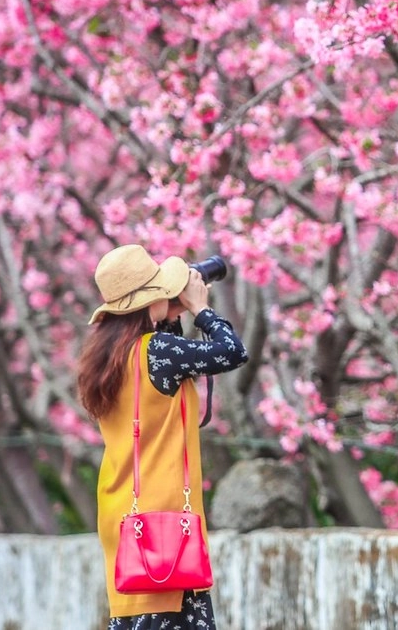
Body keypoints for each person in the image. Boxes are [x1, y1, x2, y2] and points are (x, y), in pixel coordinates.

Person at [77, 244, 248, 629]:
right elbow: (232, 352)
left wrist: (170, 311)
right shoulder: (158, 353)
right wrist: (201, 309)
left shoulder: (109, 358)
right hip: (163, 524)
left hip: (124, 515)